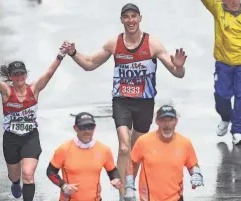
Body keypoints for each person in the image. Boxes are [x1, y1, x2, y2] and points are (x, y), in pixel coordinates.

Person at [61, 3, 188, 200]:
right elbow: (90, 64)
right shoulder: (114, 44)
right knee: (124, 147)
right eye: (126, 17)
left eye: (134, 16)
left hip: (145, 102)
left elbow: (177, 72)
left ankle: (129, 184)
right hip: (121, 100)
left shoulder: (152, 44)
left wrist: (179, 67)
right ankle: (123, 194)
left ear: (140, 18)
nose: (130, 21)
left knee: (136, 150)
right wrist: (73, 52)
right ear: (121, 20)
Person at [0, 45, 67, 201]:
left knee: (28, 174)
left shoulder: (34, 89)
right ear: (10, 77)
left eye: (21, 74)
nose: (19, 77)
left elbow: (49, 73)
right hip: (11, 139)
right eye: (15, 75)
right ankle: (15, 183)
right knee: (14, 175)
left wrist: (61, 55)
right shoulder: (6, 91)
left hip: (30, 137)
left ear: (25, 74)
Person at [200, 0, 241, 145]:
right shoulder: (217, 8)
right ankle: (225, 117)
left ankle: (237, 131)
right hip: (223, 63)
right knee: (221, 96)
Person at [130, 105, 204, 201]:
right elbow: (132, 163)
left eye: (170, 120)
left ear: (176, 122)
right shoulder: (143, 141)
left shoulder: (185, 143)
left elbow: (192, 164)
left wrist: (196, 174)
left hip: (176, 198)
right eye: (163, 120)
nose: (167, 124)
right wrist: (129, 186)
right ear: (157, 121)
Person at [46, 112, 122, 201]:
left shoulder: (104, 150)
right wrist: (63, 186)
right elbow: (50, 171)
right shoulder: (64, 149)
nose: (87, 131)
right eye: (82, 127)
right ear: (75, 128)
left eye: (90, 127)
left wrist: (116, 179)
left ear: (94, 128)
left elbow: (112, 171)